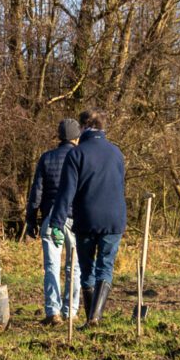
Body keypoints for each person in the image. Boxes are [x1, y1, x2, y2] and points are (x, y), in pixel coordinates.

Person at [49, 110, 129, 323]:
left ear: (84, 127)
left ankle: (91, 317)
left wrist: (56, 223)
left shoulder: (76, 154)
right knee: (106, 266)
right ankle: (95, 316)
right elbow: (120, 185)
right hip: (114, 217)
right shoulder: (116, 152)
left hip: (86, 218)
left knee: (87, 268)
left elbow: (66, 192)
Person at [25, 117, 80, 322]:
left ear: (59, 136)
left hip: (51, 218)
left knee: (51, 265)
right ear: (76, 137)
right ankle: (71, 311)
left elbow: (36, 191)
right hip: (75, 219)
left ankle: (53, 311)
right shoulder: (80, 157)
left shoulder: (47, 158)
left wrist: (31, 219)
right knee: (74, 266)